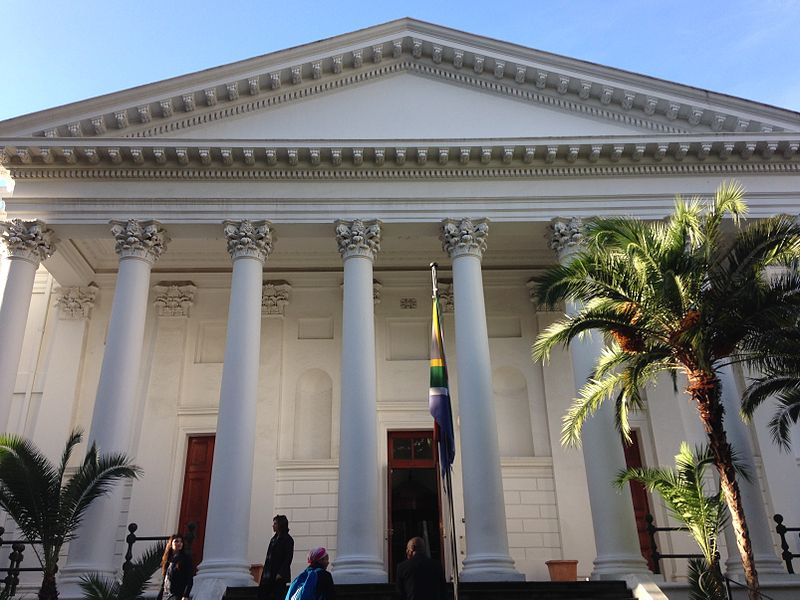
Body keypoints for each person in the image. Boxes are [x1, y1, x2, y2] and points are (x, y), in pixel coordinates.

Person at [258, 515, 294, 600]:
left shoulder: (288, 539)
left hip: (278, 576)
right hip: (268, 575)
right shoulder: (273, 539)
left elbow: (288, 557)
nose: (273, 526)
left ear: (281, 525)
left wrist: (281, 573)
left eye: (275, 523)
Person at [159, 534, 193, 600]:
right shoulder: (168, 560)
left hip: (177, 595)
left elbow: (189, 579)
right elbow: (165, 580)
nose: (179, 543)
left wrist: (185, 595)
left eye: (181, 542)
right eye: (176, 541)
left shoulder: (186, 558)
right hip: (166, 595)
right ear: (171, 544)